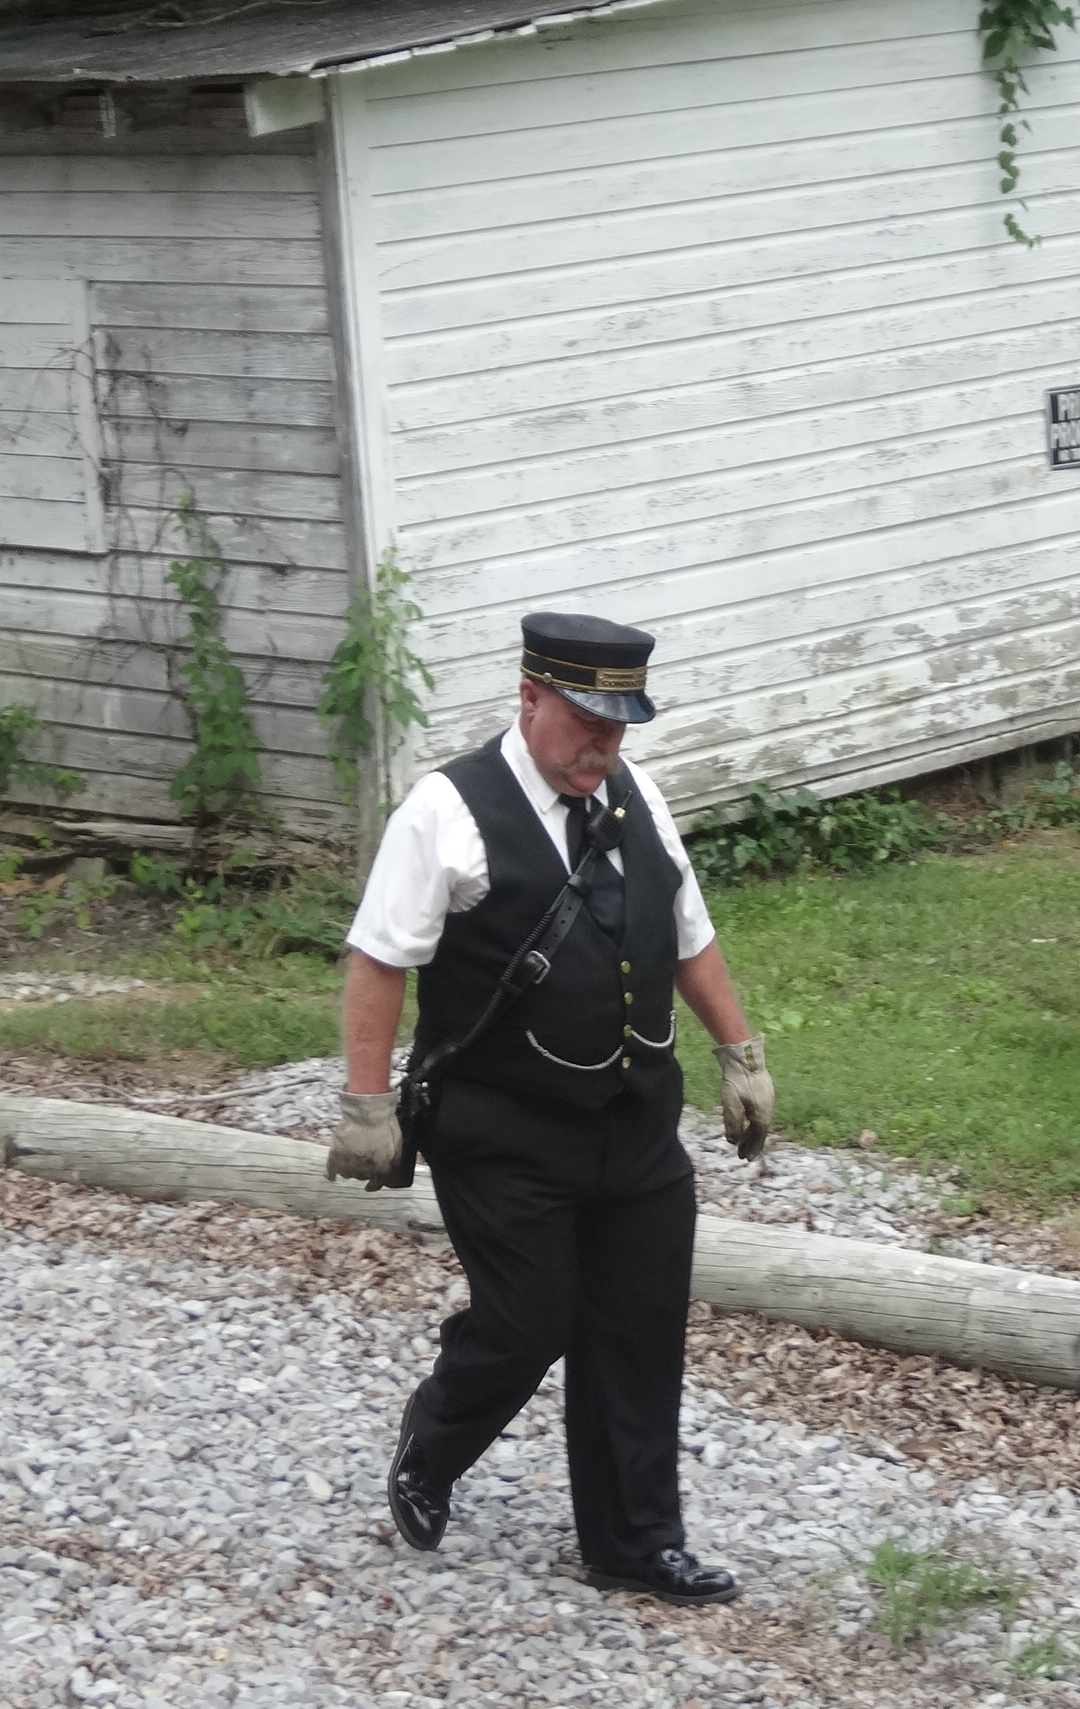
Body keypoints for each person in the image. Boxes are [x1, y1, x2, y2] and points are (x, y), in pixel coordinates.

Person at [325, 611, 775, 1607]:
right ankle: (434, 1440)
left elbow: (689, 935)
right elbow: (379, 959)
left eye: (619, 728)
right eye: (587, 723)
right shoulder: (446, 810)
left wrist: (740, 1054)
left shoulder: (637, 796)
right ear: (529, 698)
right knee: (530, 1321)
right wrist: (367, 1105)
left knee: (639, 1326)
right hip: (503, 1129)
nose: (604, 748)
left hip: (635, 1119)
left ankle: (634, 1542)